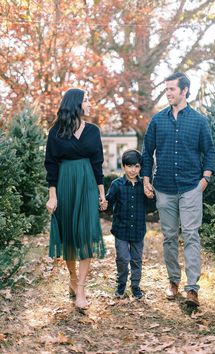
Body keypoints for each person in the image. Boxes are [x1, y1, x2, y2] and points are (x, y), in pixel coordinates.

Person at [141, 72, 215, 307]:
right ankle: (173, 280)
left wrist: (205, 178)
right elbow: (146, 152)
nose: (168, 92)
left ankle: (192, 287)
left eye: (172, 89)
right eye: (167, 89)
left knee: (192, 235)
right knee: (170, 237)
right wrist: (145, 177)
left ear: (184, 91)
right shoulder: (157, 120)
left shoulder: (199, 121)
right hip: (164, 187)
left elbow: (210, 152)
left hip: (191, 186)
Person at [44, 88, 107, 310]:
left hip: (88, 185)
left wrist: (101, 193)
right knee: (69, 235)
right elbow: (50, 164)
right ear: (76, 104)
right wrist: (53, 196)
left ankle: (80, 287)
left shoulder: (93, 131)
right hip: (65, 185)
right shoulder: (56, 132)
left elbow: (98, 163)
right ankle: (72, 278)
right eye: (87, 100)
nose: (90, 104)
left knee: (87, 234)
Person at [105, 149, 154, 299]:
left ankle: (135, 285)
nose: (133, 170)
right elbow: (108, 204)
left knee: (136, 259)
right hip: (121, 230)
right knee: (123, 258)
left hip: (138, 230)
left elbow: (151, 208)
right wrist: (103, 204)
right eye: (129, 166)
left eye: (136, 166)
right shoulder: (117, 184)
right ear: (123, 166)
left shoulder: (144, 186)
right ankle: (121, 284)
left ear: (140, 168)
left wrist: (151, 196)